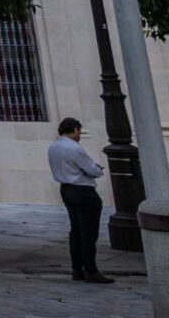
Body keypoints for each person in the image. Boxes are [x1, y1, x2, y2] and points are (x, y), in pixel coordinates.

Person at [49, 117, 113, 283]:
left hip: (66, 189)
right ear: (75, 129)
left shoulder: (53, 147)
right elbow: (90, 169)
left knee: (76, 231)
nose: (80, 135)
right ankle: (91, 270)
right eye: (79, 131)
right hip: (83, 190)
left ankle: (77, 269)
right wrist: (98, 170)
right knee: (88, 233)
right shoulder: (74, 148)